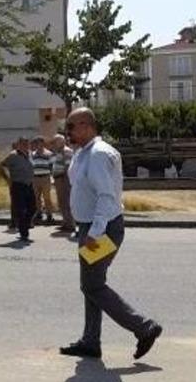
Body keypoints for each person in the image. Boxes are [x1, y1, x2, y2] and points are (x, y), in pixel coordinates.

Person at [60, 107, 162, 360]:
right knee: (91, 285)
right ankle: (90, 341)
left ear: (86, 125)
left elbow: (106, 197)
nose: (67, 132)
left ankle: (144, 327)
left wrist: (94, 233)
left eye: (71, 127)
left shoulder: (97, 155)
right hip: (91, 227)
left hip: (102, 229)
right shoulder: (84, 152)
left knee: (92, 285)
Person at [0, 138, 36, 242]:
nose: (25, 145)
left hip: (29, 185)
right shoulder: (13, 155)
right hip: (18, 185)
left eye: (27, 143)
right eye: (23, 143)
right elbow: (0, 166)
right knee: (21, 209)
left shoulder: (30, 154)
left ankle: (24, 225)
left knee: (33, 208)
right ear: (18, 145)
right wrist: (7, 179)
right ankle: (24, 233)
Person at [51, 134, 76, 233]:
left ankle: (70, 224)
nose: (54, 143)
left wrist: (65, 180)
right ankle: (65, 222)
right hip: (58, 178)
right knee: (62, 202)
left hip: (63, 179)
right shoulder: (58, 152)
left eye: (56, 141)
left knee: (66, 201)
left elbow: (68, 167)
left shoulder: (66, 151)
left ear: (62, 141)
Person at [30, 136, 55, 224]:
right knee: (36, 197)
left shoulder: (49, 154)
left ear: (43, 143)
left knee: (47, 197)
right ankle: (39, 212)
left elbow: (52, 166)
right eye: (36, 143)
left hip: (45, 177)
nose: (38, 145)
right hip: (35, 178)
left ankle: (49, 214)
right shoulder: (32, 154)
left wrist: (52, 178)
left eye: (39, 143)